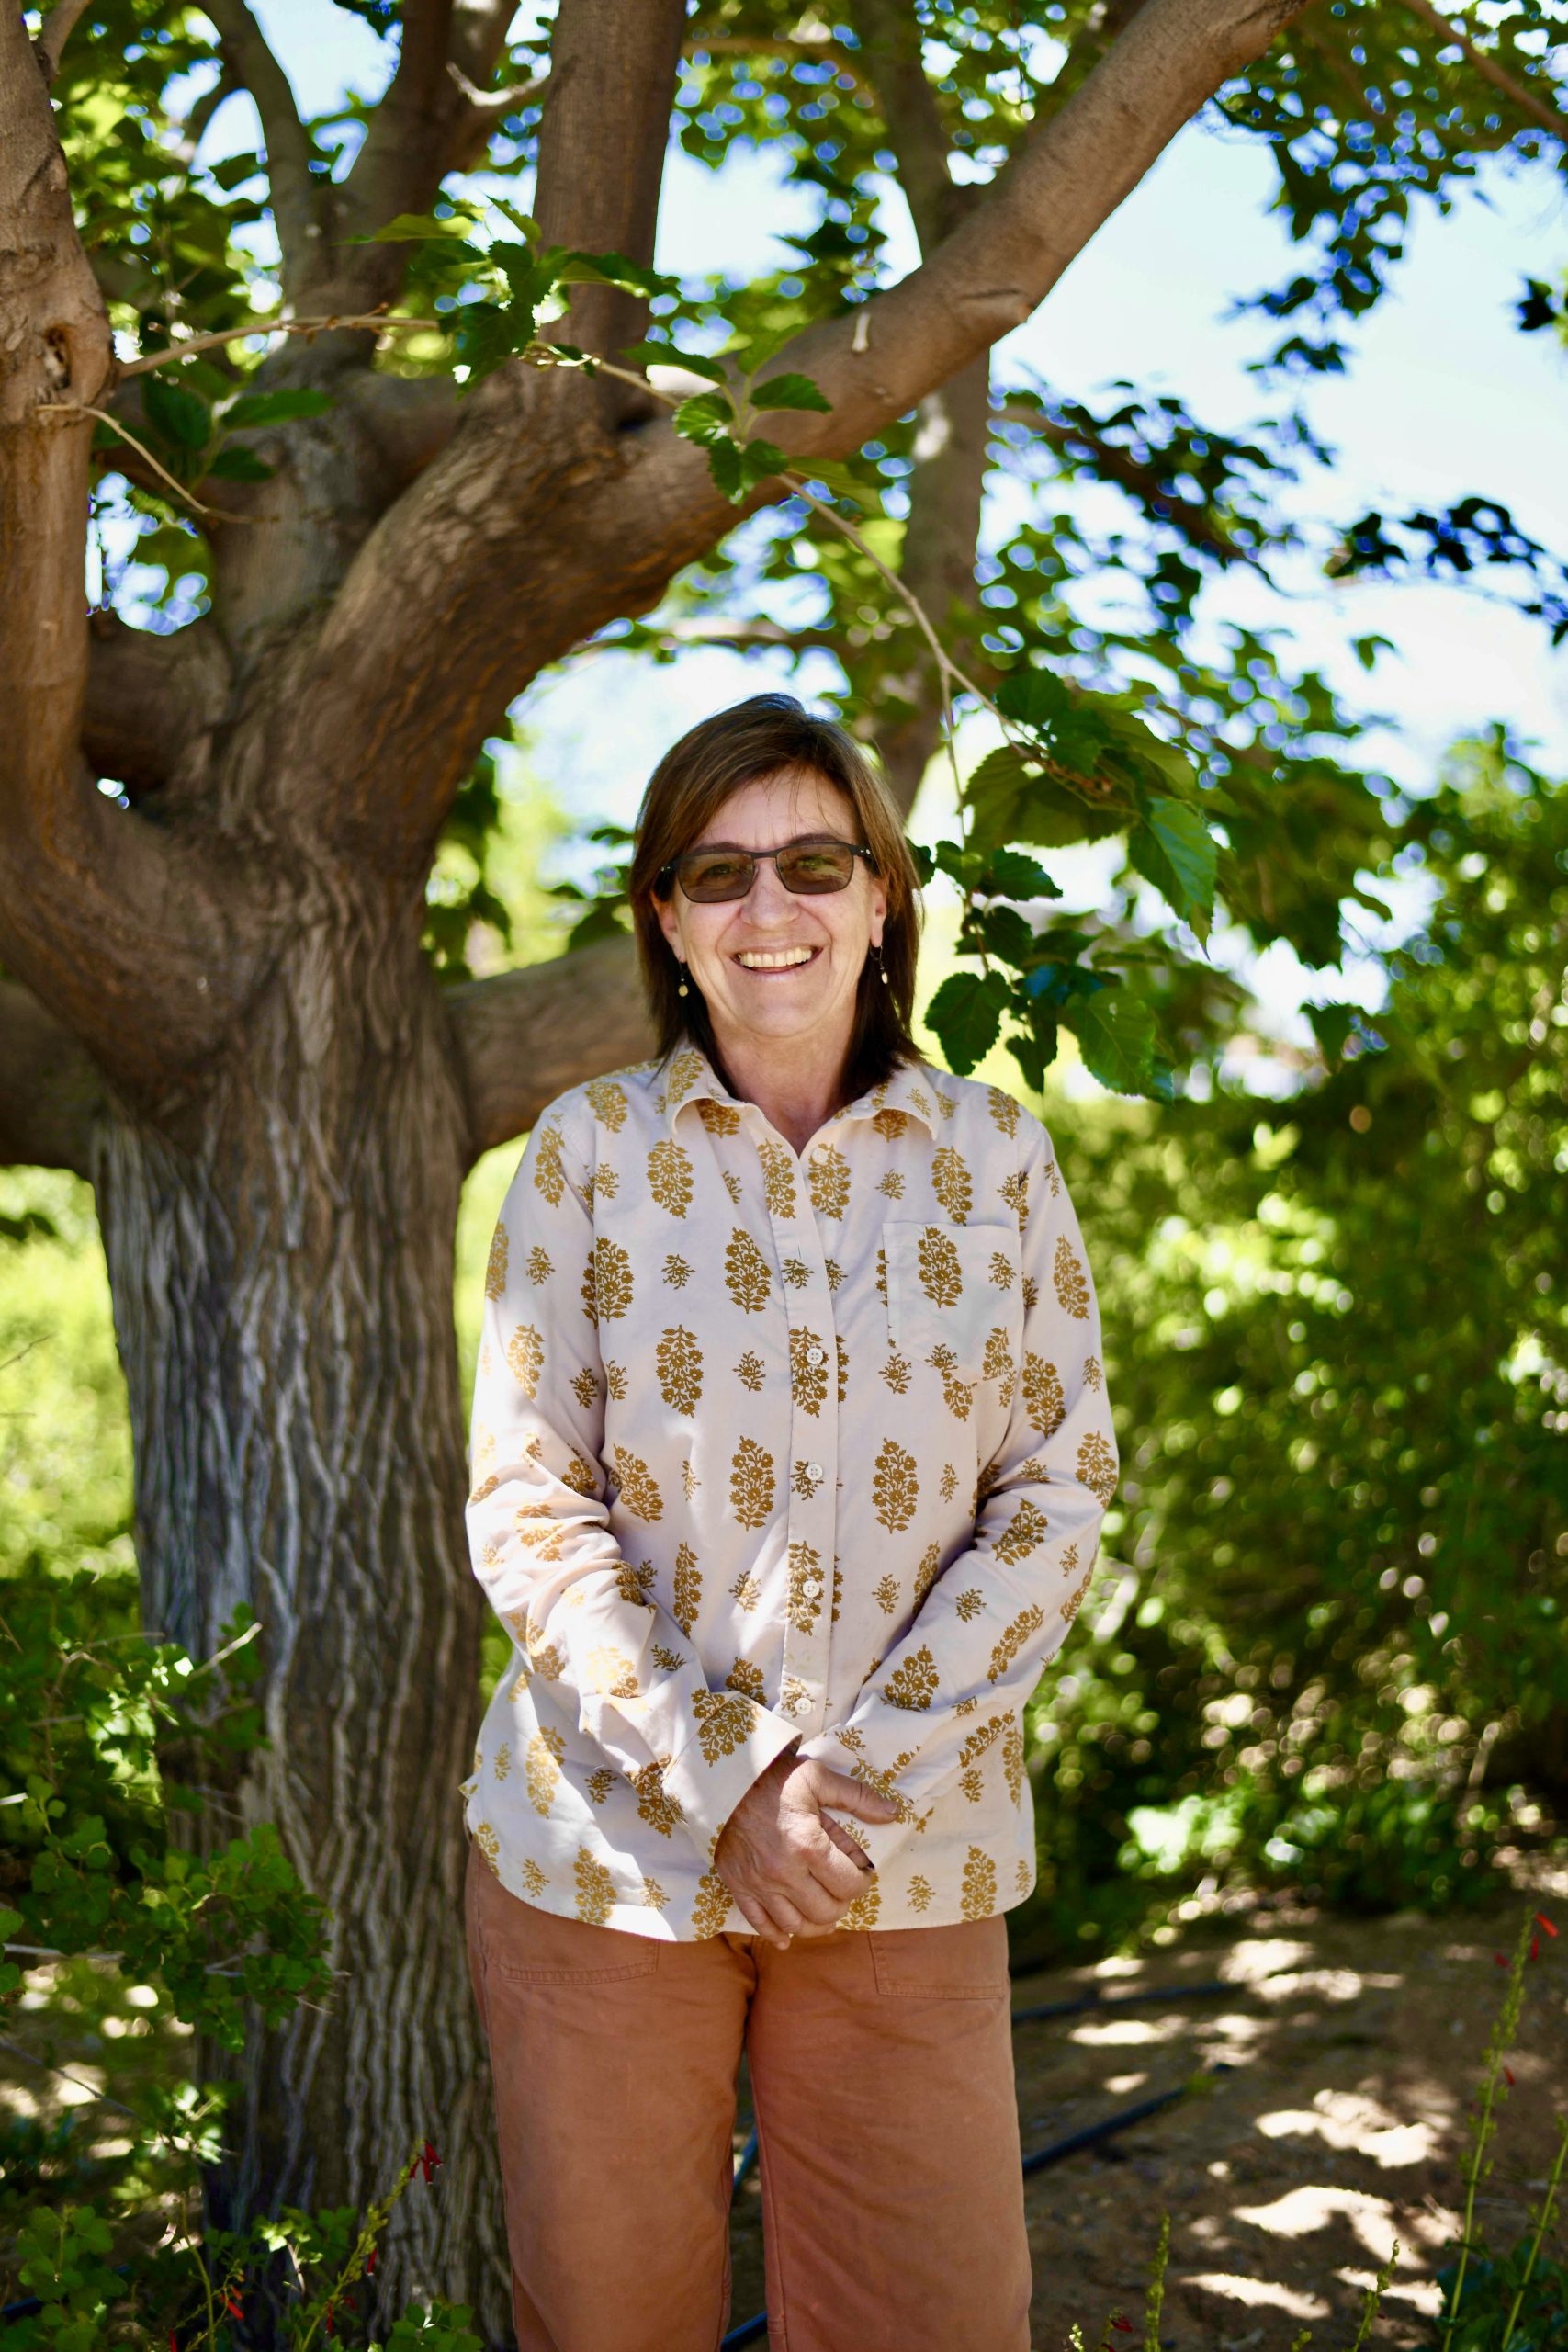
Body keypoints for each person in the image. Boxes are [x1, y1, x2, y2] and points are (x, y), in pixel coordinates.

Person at [461, 692, 1117, 2352]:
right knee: (609, 2321)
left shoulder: (996, 1158)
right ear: (668, 923)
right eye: (720, 873)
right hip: (609, 1859)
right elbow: (530, 1502)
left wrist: (854, 1779)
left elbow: (1057, 1490)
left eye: (814, 863)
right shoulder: (587, 1156)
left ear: (882, 896)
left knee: (934, 2321)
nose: (773, 911)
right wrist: (734, 1773)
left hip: (905, 1853)